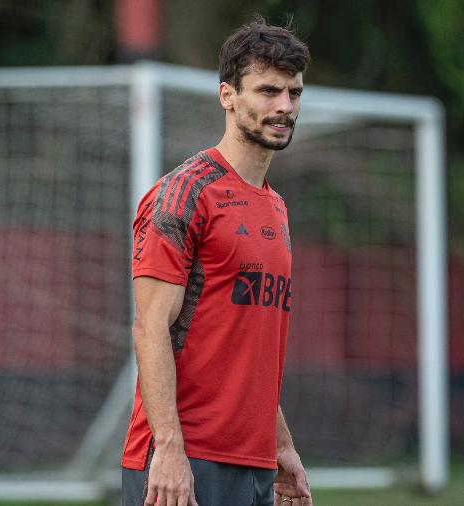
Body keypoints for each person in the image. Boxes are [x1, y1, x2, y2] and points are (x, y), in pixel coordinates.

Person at [121, 17, 312, 506]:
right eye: (268, 90)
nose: (284, 106)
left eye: (293, 93)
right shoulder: (184, 193)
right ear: (227, 95)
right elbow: (149, 327)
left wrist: (281, 443)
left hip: (255, 463)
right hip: (186, 460)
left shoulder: (276, 206)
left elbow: (248, 348)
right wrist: (168, 450)